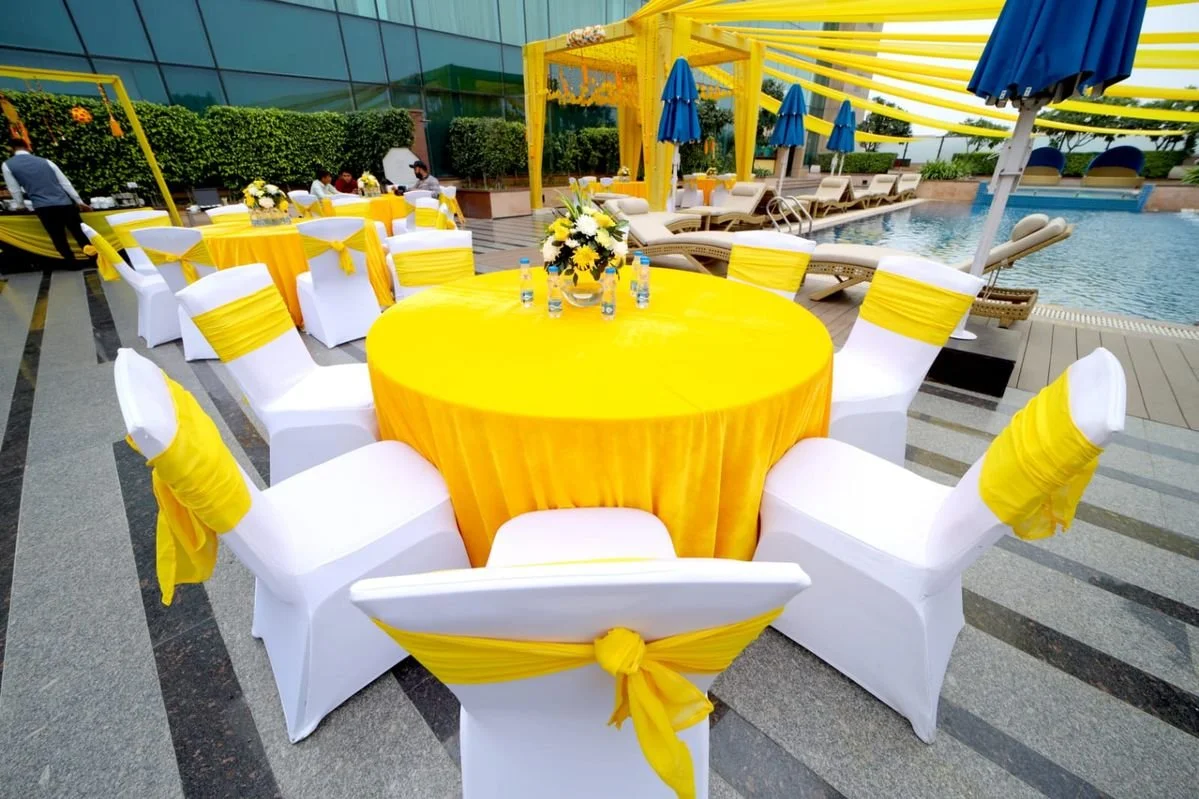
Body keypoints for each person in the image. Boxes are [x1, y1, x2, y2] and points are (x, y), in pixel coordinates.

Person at [3, 137, 92, 264]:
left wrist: (20, 205)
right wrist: (79, 202)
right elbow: (65, 183)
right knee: (80, 233)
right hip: (65, 203)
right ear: (27, 146)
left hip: (43, 207)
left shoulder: (7, 165)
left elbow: (14, 189)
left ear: (10, 149)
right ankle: (94, 259)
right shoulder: (46, 161)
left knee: (58, 237)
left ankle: (71, 263)